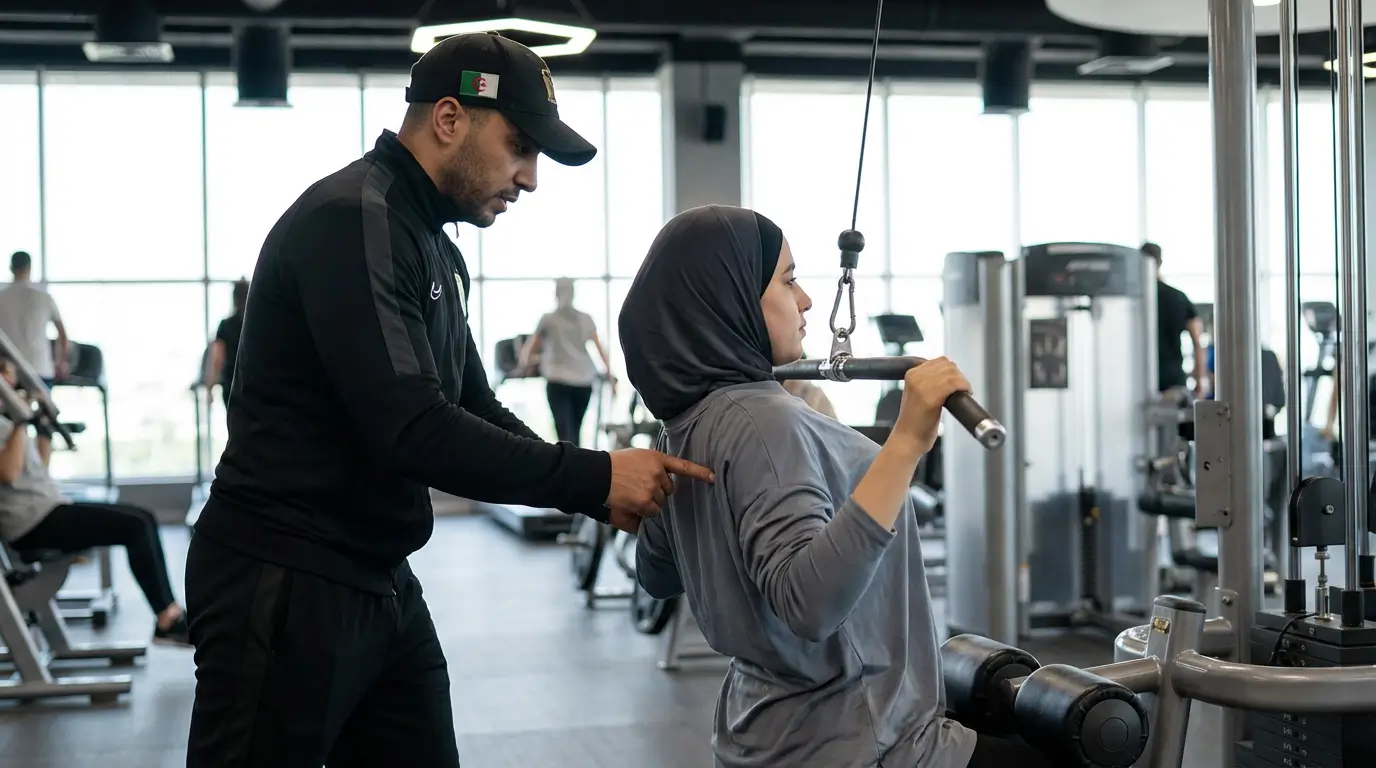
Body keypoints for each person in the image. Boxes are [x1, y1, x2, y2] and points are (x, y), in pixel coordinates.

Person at [183, 32, 714, 768]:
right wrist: (593, 477)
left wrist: (602, 490)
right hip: (286, 579)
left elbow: (474, 407)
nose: (529, 178)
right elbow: (413, 429)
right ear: (449, 119)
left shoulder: (430, 242)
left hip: (380, 580)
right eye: (520, 147)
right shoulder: (353, 219)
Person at [622, 205, 1056, 768]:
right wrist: (908, 440)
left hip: (761, 734)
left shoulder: (684, 425)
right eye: (788, 279)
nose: (805, 301)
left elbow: (658, 575)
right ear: (727, 299)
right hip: (865, 739)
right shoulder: (763, 420)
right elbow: (808, 602)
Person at [0, 354, 189, 647]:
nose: (13, 382)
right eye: (7, 375)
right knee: (135, 526)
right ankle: (166, 619)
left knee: (143, 517)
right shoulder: (9, 423)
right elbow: (9, 473)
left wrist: (42, 427)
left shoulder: (7, 421)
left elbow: (37, 468)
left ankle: (169, 614)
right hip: (30, 523)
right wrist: (22, 421)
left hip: (47, 508)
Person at [518, 278, 616, 444]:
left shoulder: (547, 319)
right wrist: (610, 376)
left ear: (556, 294)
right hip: (583, 382)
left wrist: (524, 365)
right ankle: (577, 466)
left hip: (558, 382)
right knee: (575, 432)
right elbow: (600, 349)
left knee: (564, 433)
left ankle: (570, 467)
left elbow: (529, 350)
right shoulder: (586, 319)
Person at [0, 251, 69, 465]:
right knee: (44, 424)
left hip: (10, 372)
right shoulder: (44, 296)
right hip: (40, 369)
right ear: (30, 268)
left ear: (11, 268)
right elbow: (62, 335)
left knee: (11, 424)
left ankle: (18, 474)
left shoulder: (1, 296)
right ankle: (42, 474)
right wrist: (60, 362)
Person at [1142, 242, 1207, 398]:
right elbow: (1198, 341)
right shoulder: (1178, 297)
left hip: (1140, 380)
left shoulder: (1134, 301)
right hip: (1172, 382)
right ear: (1160, 262)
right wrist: (1199, 378)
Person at [203, 279, 249, 408]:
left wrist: (210, 387)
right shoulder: (257, 325)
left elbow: (217, 358)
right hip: (255, 384)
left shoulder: (226, 326)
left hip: (232, 385)